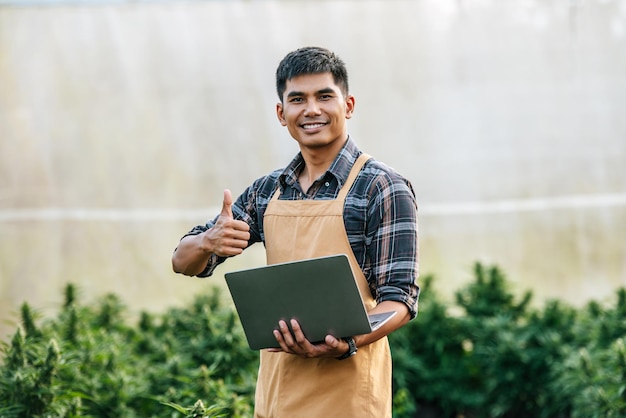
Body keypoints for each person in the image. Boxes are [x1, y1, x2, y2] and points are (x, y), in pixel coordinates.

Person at [172, 46, 419, 418]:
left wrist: (347, 341)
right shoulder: (267, 191)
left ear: (348, 105)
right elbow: (183, 262)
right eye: (298, 99)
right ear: (281, 113)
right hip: (276, 395)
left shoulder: (381, 188)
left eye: (324, 96)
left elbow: (399, 300)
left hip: (348, 398)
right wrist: (208, 241)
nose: (312, 110)